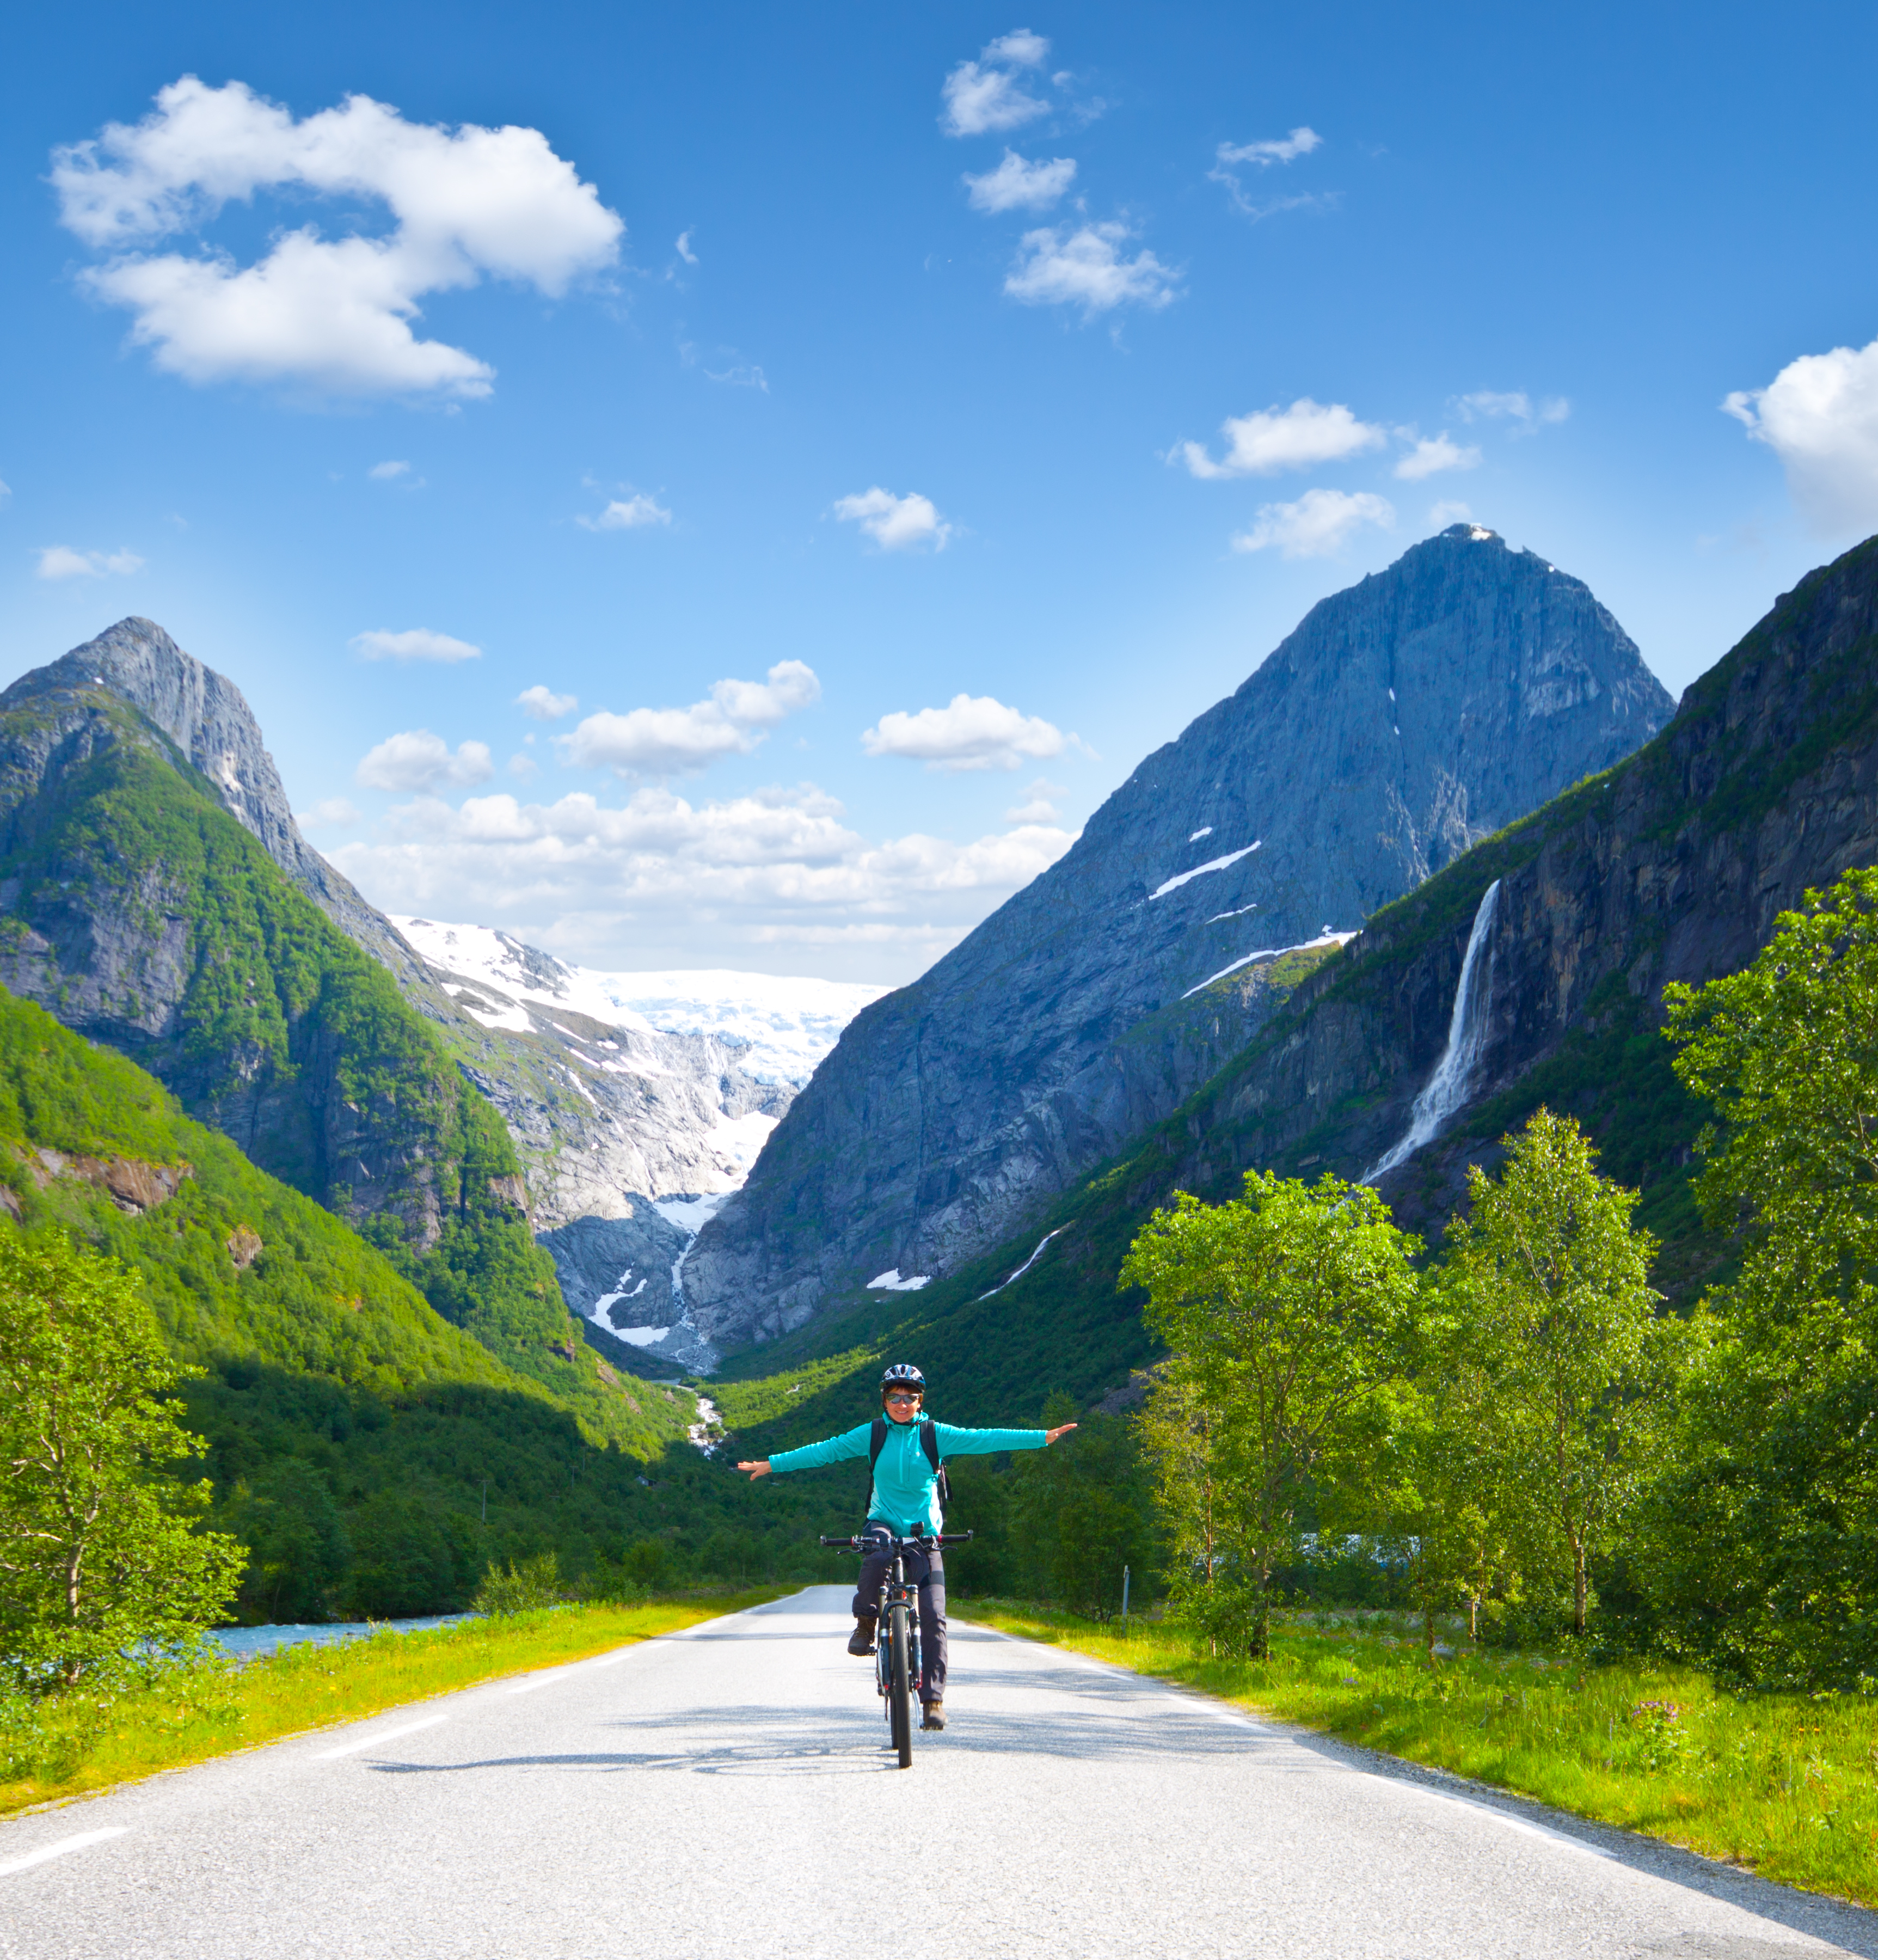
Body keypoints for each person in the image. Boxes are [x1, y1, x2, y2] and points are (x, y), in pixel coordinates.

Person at [737, 1363, 1076, 1731]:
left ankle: (932, 1701)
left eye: (909, 1397)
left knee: (934, 1617)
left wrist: (1041, 1437)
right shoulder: (873, 1434)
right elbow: (825, 1451)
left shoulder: (936, 1435)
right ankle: (866, 1625)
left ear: (920, 1401)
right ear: (884, 1400)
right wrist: (772, 1464)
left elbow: (986, 1438)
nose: (902, 1403)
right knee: (877, 1554)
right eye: (895, 1396)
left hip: (925, 1532)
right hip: (882, 1522)